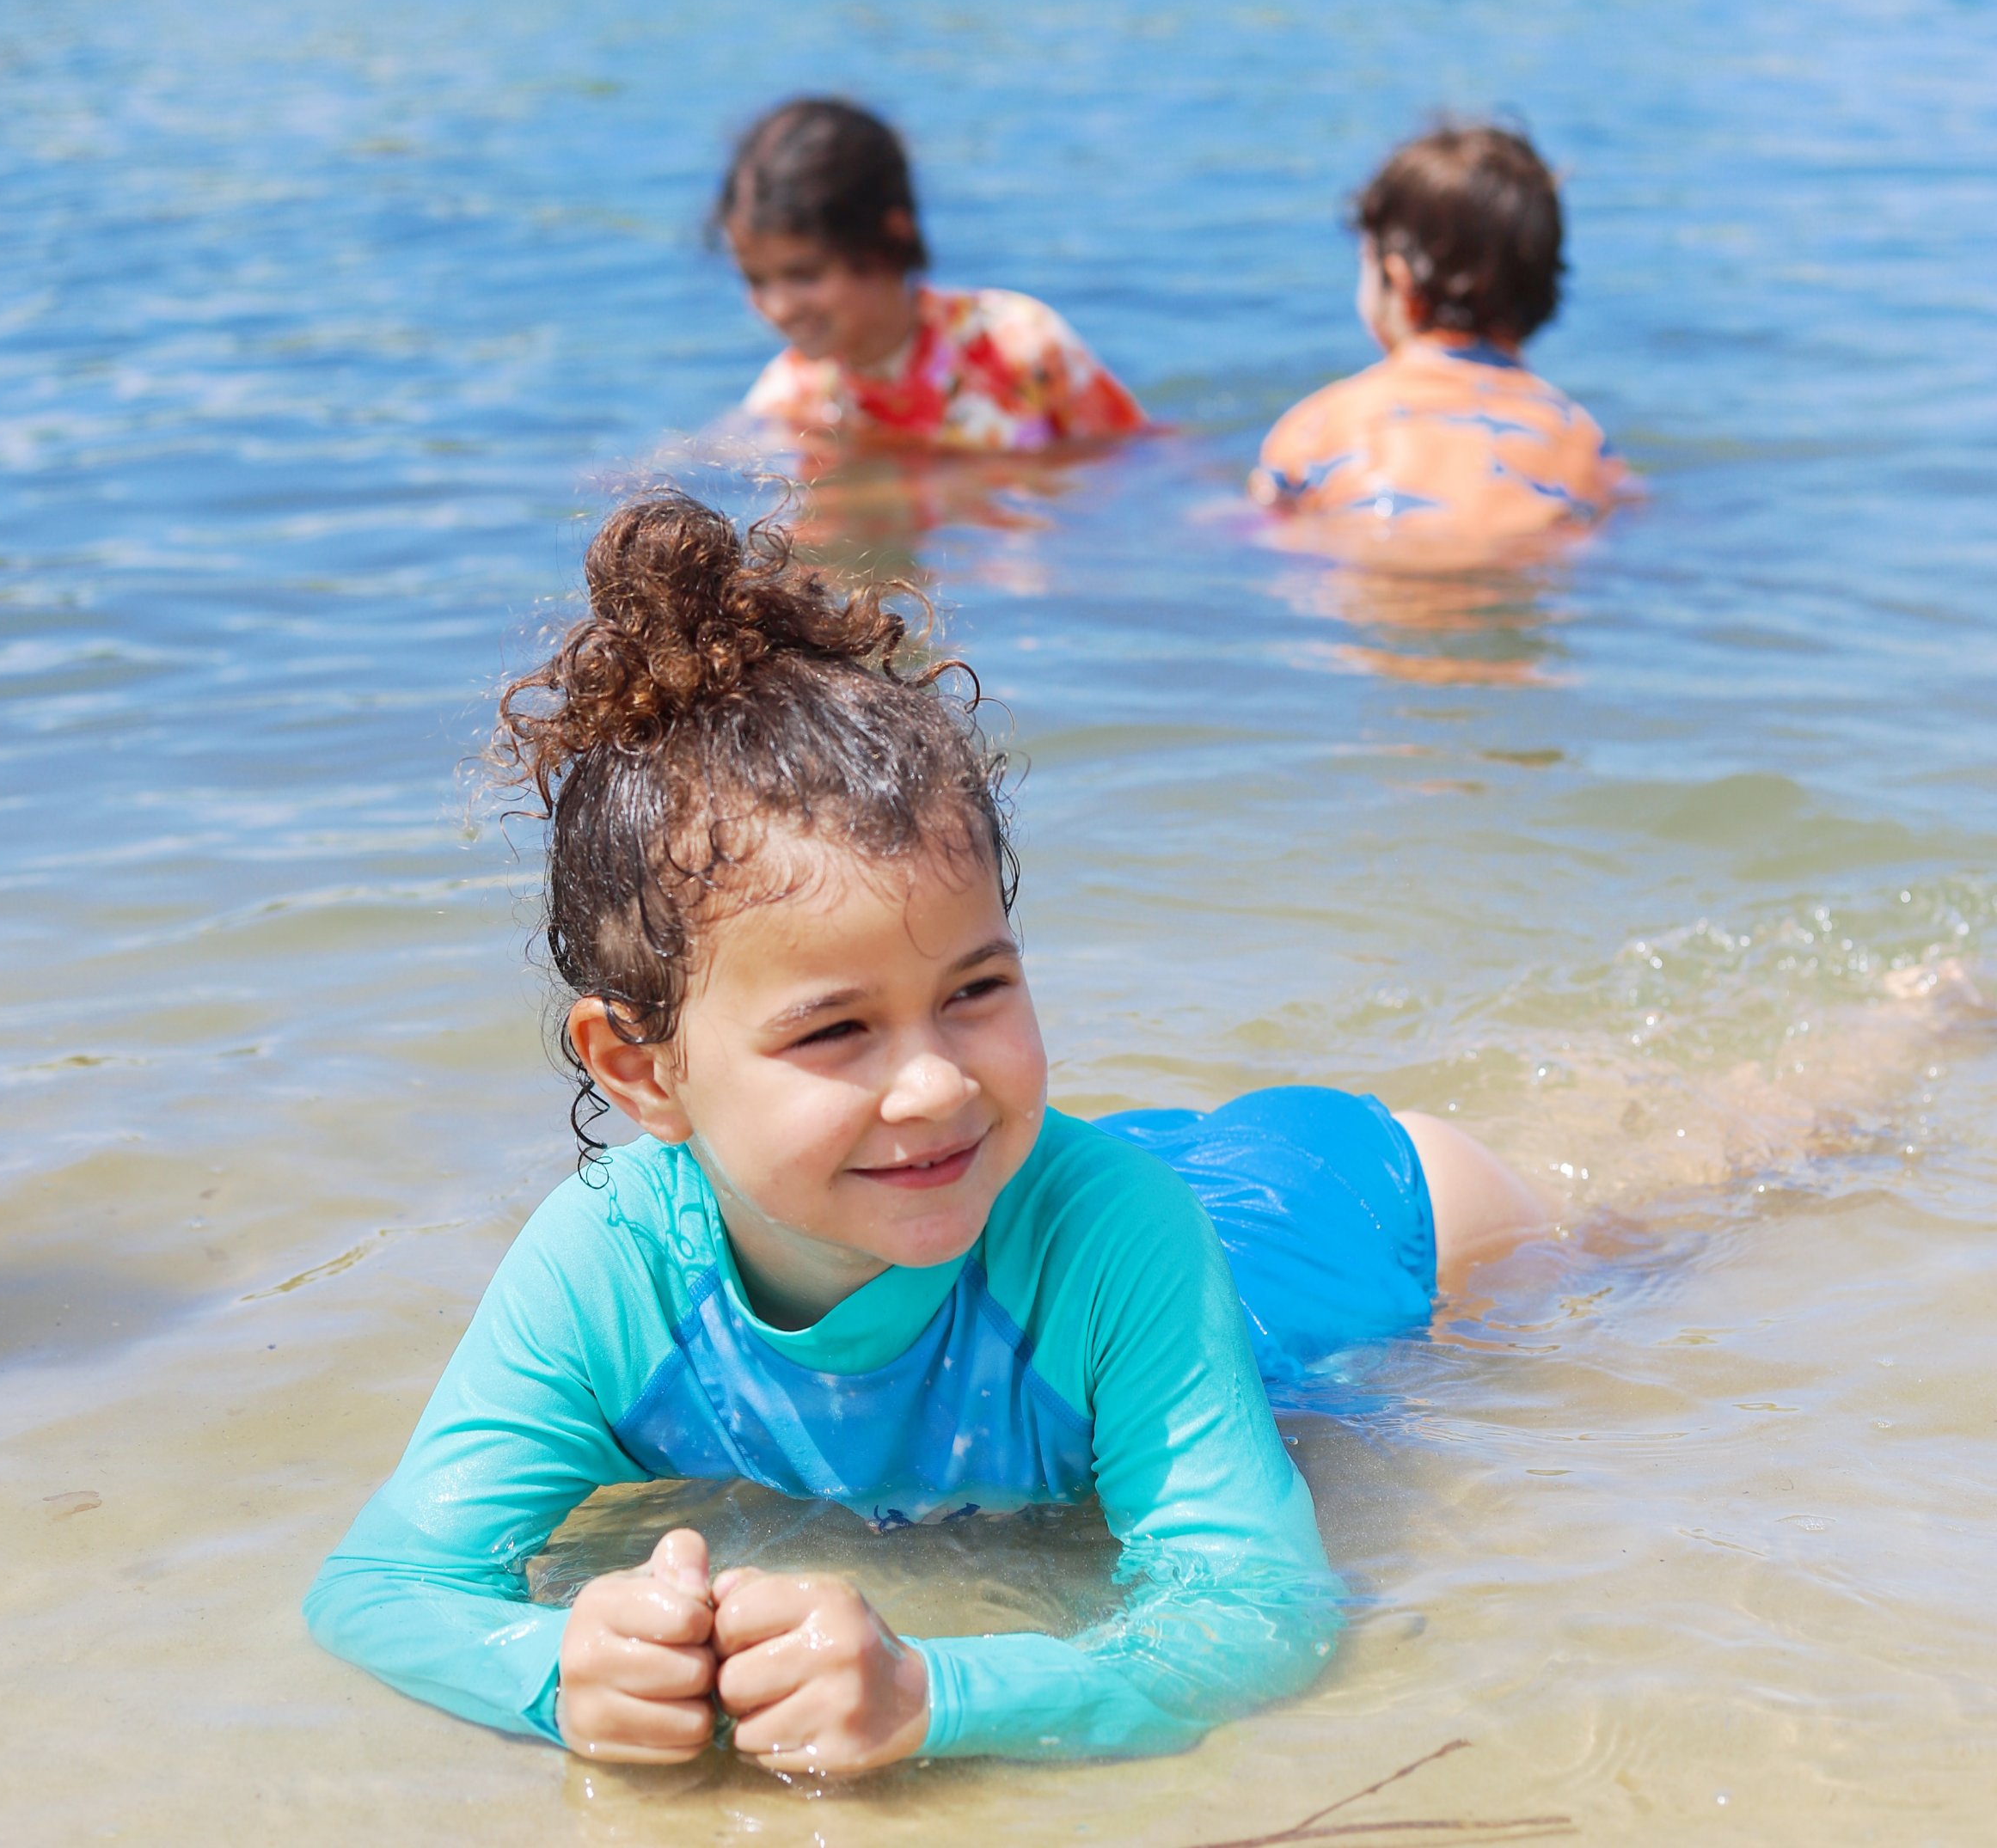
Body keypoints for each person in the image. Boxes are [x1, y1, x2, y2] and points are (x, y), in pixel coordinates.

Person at [304, 490, 1539, 1772]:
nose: (938, 1086)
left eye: (977, 990)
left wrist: (927, 1694)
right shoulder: (606, 1273)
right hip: (1058, 1185)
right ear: (641, 1070)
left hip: (1362, 1210)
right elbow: (380, 1585)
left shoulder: (1117, 1245)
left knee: (1655, 1245)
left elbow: (1262, 1612)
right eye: (837, 1029)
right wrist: (559, 1673)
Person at [1250, 119, 1631, 558]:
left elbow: (1262, 521)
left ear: (1399, 281)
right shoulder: (1579, 437)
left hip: (1378, 577)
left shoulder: (1319, 424)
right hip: (1516, 577)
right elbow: (1624, 513)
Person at [716, 97, 1149, 451]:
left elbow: (1135, 462)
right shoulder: (790, 401)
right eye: (756, 280)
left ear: (889, 239)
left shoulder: (1018, 344)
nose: (779, 308)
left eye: (804, 275)